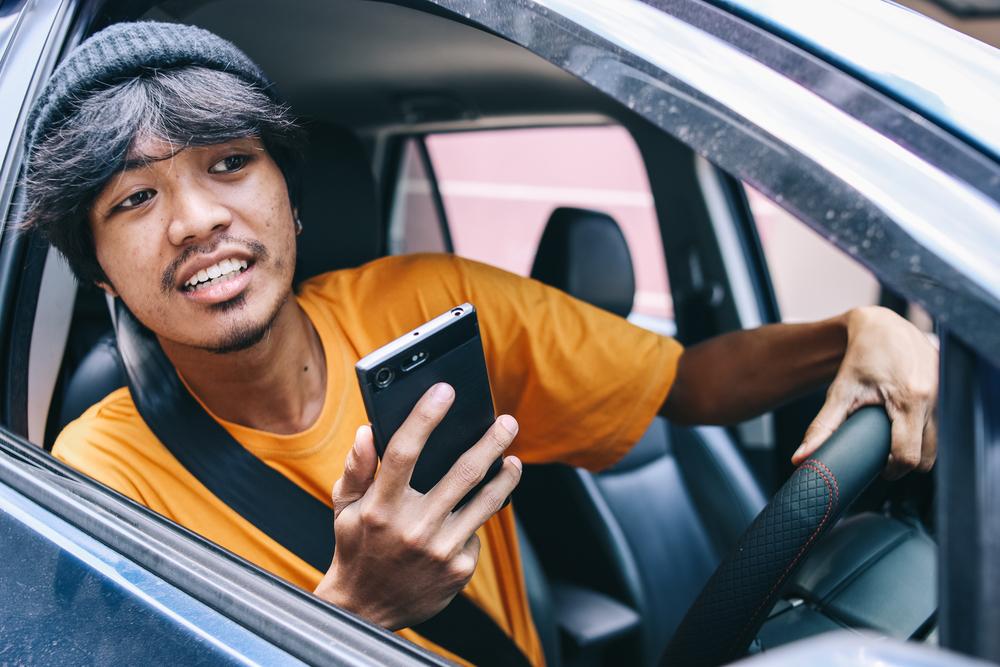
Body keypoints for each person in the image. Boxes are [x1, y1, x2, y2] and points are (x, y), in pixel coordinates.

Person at [21, 21, 937, 667]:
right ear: (98, 271)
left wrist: (856, 333)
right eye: (133, 200)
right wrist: (359, 608)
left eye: (228, 162)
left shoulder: (430, 301)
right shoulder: (102, 470)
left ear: (290, 198)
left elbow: (690, 385)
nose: (196, 220)